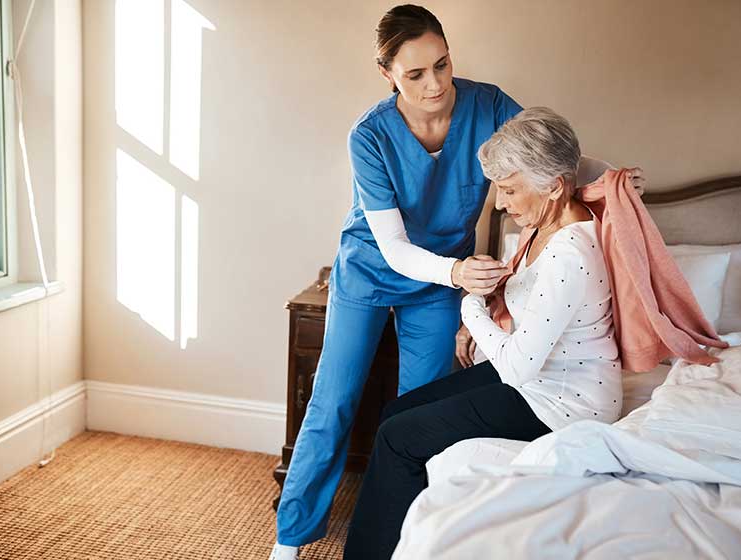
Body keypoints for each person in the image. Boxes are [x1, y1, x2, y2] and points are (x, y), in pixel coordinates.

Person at [270, 6, 644, 559]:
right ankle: (290, 539)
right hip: (375, 270)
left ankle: (409, 538)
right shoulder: (369, 137)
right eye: (415, 74)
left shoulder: (488, 104)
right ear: (388, 74)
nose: (435, 84)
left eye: (442, 65)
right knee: (333, 402)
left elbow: (549, 158)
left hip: (444, 279)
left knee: (416, 409)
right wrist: (459, 277)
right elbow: (394, 248)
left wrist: (608, 175)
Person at [343, 107, 624, 560]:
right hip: (540, 381)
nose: (499, 203)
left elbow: (515, 366)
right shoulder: (547, 221)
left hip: (565, 404)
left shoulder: (571, 252)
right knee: (397, 410)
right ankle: (404, 539)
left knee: (399, 439)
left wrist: (470, 306)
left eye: (510, 189)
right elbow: (581, 164)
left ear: (553, 185)